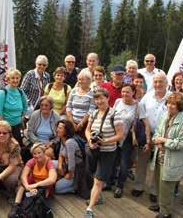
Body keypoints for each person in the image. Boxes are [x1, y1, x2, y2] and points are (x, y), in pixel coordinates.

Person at [149, 93, 183, 218]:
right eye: (168, 103)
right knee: (159, 184)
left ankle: (165, 213)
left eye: (173, 104)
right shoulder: (165, 116)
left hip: (172, 160)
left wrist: (164, 141)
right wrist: (156, 139)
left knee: (167, 187)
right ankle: (160, 205)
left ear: (179, 106)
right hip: (160, 156)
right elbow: (158, 131)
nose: (170, 106)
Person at [84, 88, 123, 218]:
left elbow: (120, 135)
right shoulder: (94, 113)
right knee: (93, 174)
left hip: (107, 152)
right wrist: (90, 140)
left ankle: (89, 209)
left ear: (107, 98)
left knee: (99, 180)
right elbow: (87, 130)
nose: (99, 101)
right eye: (97, 99)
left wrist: (105, 141)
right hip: (93, 150)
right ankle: (97, 197)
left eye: (102, 98)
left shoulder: (115, 114)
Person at [133, 73, 170, 202]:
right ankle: (138, 186)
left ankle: (155, 190)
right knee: (142, 160)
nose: (158, 84)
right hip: (146, 134)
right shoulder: (147, 96)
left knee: (159, 164)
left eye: (160, 82)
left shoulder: (171, 98)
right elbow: (140, 115)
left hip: (163, 136)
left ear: (166, 83)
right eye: (155, 82)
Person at [110, 84, 150, 198]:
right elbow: (111, 116)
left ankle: (119, 186)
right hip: (115, 135)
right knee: (112, 159)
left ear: (133, 92)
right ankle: (109, 182)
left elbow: (146, 123)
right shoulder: (118, 101)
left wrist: (147, 140)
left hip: (128, 137)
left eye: (127, 92)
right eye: (123, 92)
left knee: (124, 163)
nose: (124, 94)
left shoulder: (139, 105)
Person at [10, 143, 58, 215]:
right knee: (22, 186)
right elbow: (23, 175)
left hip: (44, 184)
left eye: (39, 153)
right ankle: (16, 205)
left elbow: (52, 179)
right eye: (34, 153)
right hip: (33, 182)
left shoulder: (49, 163)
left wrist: (36, 185)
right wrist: (27, 186)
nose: (37, 155)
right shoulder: (32, 161)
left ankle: (33, 208)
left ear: (44, 152)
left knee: (38, 196)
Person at [0, 69, 29, 146]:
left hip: (17, 125)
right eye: (13, 78)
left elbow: (25, 105)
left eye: (17, 78)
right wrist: (3, 125)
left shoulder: (20, 92)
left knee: (17, 147)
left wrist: (22, 116)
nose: (15, 80)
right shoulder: (3, 92)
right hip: (5, 127)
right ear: (8, 79)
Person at [54, 120, 81, 194]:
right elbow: (60, 154)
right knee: (50, 163)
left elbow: (72, 163)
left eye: (60, 128)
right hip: (66, 165)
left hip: (75, 171)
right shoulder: (62, 139)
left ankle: (76, 187)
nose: (57, 130)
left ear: (66, 131)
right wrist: (59, 166)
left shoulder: (70, 142)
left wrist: (70, 174)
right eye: (57, 128)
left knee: (57, 188)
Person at [66, 69, 95, 138]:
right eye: (79, 79)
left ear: (89, 80)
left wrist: (81, 123)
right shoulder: (74, 91)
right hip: (71, 122)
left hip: (85, 124)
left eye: (82, 79)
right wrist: (72, 122)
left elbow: (91, 111)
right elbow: (68, 107)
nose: (79, 81)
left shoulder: (92, 93)